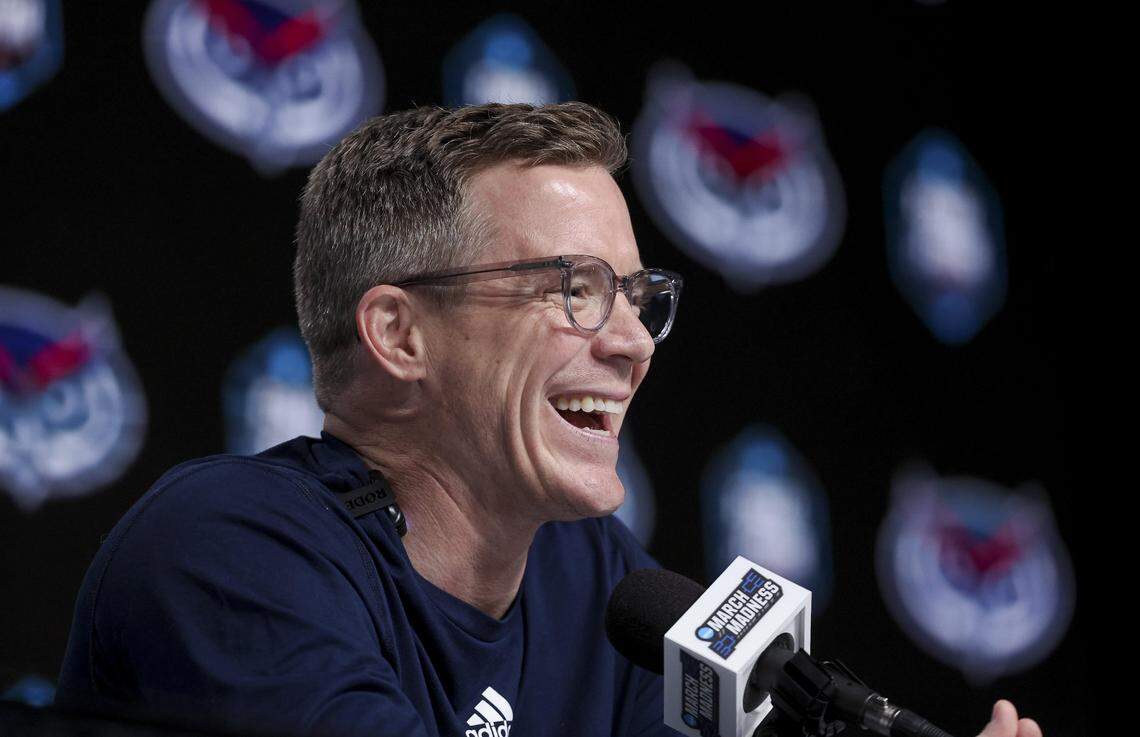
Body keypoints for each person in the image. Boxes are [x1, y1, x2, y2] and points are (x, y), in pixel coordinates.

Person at [55, 102, 1041, 737]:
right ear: (402, 335)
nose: (635, 341)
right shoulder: (227, 547)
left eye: (637, 294)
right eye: (573, 289)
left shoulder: (600, 578)